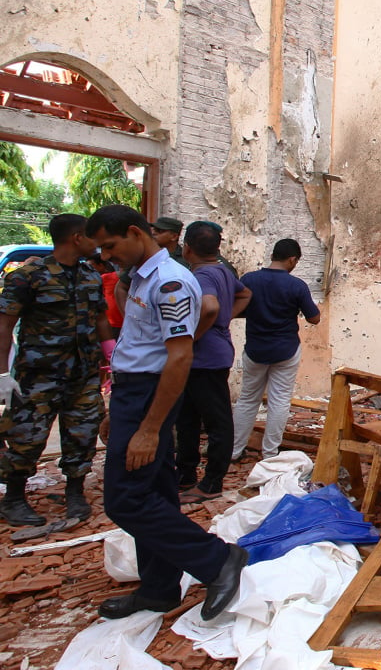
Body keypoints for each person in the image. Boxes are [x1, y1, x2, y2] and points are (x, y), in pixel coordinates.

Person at [85, 205, 246, 620]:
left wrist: (148, 428)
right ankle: (158, 589)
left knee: (124, 500)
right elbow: (140, 346)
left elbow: (178, 358)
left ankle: (217, 559)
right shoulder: (144, 277)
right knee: (153, 494)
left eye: (110, 245)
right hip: (132, 394)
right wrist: (116, 409)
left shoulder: (171, 282)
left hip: (148, 396)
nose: (106, 255)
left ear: (136, 233)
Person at [0, 215, 115, 526]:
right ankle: (13, 497)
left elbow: (101, 319)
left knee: (83, 433)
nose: (98, 242)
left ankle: (75, 492)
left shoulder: (91, 276)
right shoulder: (28, 277)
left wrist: (112, 357)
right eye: (93, 236)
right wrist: (2, 376)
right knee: (27, 437)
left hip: (84, 373)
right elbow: (4, 325)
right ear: (77, 237)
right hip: (38, 375)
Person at [175, 222, 251, 501]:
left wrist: (193, 335)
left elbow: (209, 307)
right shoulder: (221, 270)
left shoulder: (203, 274)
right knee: (188, 418)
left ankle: (211, 482)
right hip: (209, 354)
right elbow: (245, 294)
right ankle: (185, 474)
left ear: (187, 248)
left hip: (204, 356)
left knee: (214, 421)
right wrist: (225, 319)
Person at [230, 239, 321, 462]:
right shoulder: (296, 285)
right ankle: (270, 453)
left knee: (247, 399)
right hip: (285, 349)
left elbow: (237, 309)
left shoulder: (249, 280)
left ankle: (233, 450)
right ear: (292, 259)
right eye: (296, 262)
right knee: (279, 400)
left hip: (255, 349)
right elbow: (314, 318)